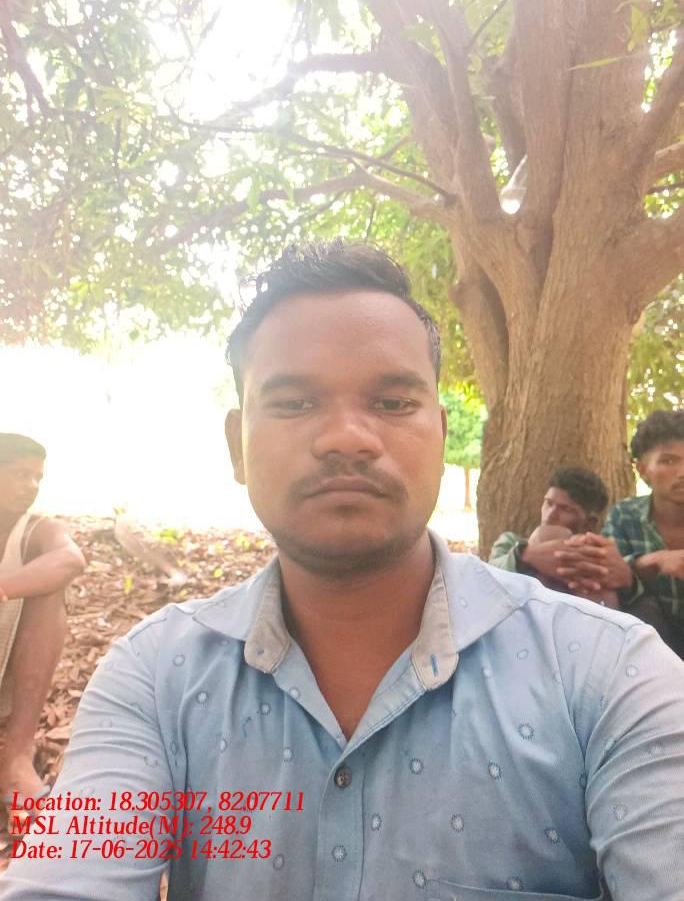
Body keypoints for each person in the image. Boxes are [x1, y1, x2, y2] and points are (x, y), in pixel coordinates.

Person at [1, 242, 683, 901]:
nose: (346, 438)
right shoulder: (154, 676)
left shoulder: (608, 673)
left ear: (441, 433)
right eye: (295, 403)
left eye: (393, 403)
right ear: (237, 445)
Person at [0, 434, 86, 807]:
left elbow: (70, 560)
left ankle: (16, 757)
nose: (32, 486)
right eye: (20, 474)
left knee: (49, 591)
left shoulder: (37, 530)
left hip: (7, 674)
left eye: (37, 477)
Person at [601, 410, 684, 657]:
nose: (682, 472)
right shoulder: (625, 516)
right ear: (644, 469)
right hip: (650, 644)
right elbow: (606, 574)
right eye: (669, 461)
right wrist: (651, 561)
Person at [488, 467, 628, 607]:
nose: (550, 515)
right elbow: (487, 576)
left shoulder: (597, 558)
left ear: (589, 522)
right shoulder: (512, 543)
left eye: (566, 509)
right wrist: (524, 555)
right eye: (548, 503)